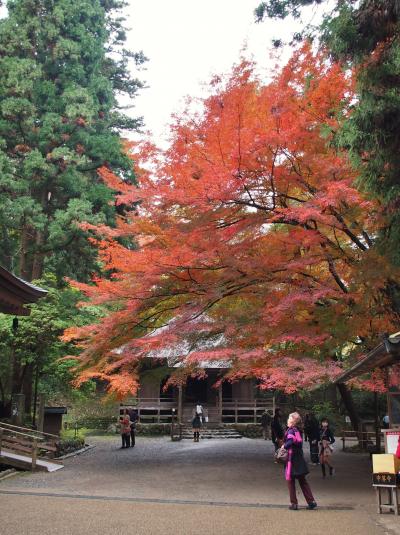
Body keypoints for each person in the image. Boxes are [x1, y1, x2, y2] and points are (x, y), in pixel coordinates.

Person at [283, 412, 317, 511]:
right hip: (299, 458)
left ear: (293, 421)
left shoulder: (290, 431)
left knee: (290, 481)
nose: (288, 420)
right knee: (303, 481)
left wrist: (283, 446)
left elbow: (289, 442)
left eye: (289, 418)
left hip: (291, 459)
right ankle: (311, 502)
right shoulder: (298, 430)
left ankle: (294, 503)